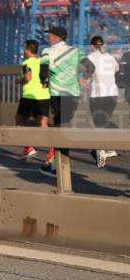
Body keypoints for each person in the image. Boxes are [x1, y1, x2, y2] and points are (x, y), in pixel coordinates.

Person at [39, 26, 95, 177]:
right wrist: (83, 79)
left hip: (57, 94)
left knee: (60, 130)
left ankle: (57, 167)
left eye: (49, 35)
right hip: (73, 94)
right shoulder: (76, 51)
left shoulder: (46, 51)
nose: (47, 37)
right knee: (67, 127)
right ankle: (94, 148)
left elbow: (43, 71)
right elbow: (90, 67)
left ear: (56, 37)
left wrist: (43, 81)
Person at [86, 35, 120, 168]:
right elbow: (117, 69)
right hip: (112, 94)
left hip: (98, 95)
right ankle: (109, 148)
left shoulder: (89, 58)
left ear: (92, 46)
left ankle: (100, 152)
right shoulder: (110, 57)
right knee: (104, 121)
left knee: (98, 123)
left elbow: (88, 73)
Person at [15, 40, 51, 161]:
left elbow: (27, 77)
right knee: (43, 125)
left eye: (24, 49)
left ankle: (28, 148)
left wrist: (18, 80)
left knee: (19, 121)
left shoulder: (26, 62)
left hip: (29, 97)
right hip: (44, 96)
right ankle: (52, 151)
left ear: (27, 50)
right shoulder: (42, 61)